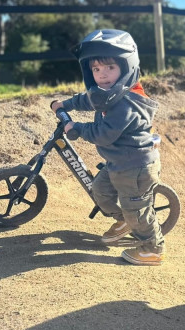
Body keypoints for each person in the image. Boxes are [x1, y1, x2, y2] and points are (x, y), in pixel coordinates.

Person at [51, 29, 165, 266]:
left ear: (126, 68)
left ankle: (153, 248)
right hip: (118, 163)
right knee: (100, 192)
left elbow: (103, 135)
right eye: (96, 69)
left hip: (135, 167)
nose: (102, 75)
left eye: (110, 68)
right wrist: (65, 104)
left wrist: (77, 127)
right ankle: (123, 220)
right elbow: (87, 99)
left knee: (137, 209)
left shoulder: (126, 104)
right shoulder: (108, 93)